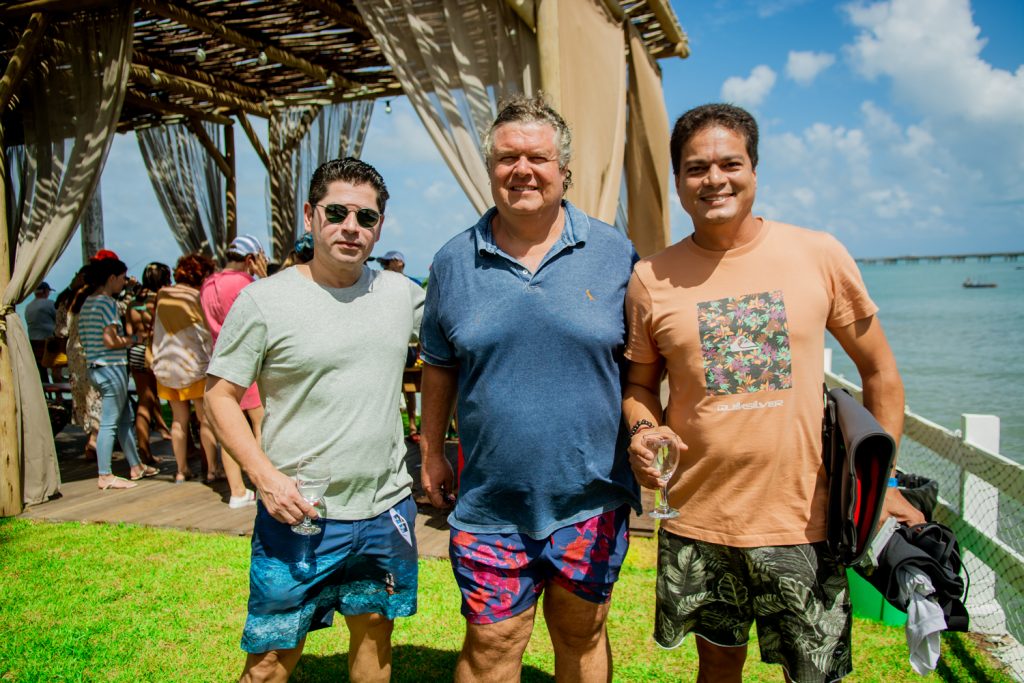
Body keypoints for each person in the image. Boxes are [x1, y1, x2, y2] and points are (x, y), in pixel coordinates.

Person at [621, 103, 926, 683]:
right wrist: (643, 429)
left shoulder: (818, 254)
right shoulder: (651, 279)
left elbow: (881, 371)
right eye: (695, 168)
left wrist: (881, 484)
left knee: (814, 673)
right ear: (678, 183)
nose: (714, 179)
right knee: (716, 664)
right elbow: (639, 384)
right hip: (698, 517)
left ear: (755, 171)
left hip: (803, 519)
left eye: (729, 163)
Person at [419, 93, 640, 682]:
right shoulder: (451, 263)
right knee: (492, 645)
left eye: (537, 158)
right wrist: (431, 450)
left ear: (563, 171)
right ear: (489, 169)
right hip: (491, 500)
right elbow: (438, 365)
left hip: (590, 497)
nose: (521, 170)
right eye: (506, 158)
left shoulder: (616, 255)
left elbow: (642, 367)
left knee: (582, 634)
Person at [205, 157, 425, 682]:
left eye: (366, 218)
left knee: (374, 635)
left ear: (379, 227)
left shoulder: (403, 294)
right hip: (298, 511)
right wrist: (264, 478)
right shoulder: (264, 301)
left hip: (384, 509)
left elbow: (468, 336)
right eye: (337, 212)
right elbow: (219, 395)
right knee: (270, 659)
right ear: (310, 215)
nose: (351, 227)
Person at [200, 234, 269, 508]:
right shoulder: (246, 285)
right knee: (261, 424)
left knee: (229, 426)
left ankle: (237, 490)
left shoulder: (208, 285)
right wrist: (264, 278)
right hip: (249, 364)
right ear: (251, 259)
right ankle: (265, 485)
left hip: (220, 361)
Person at [77, 258, 158, 489]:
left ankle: (136, 466)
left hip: (95, 367)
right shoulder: (107, 303)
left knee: (124, 419)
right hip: (111, 368)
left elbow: (86, 339)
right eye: (122, 278)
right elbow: (110, 340)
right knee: (111, 423)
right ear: (111, 278)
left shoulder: (87, 303)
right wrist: (134, 340)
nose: (124, 283)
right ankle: (105, 475)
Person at [151, 253, 219, 485]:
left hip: (168, 366)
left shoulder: (163, 294)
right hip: (194, 365)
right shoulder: (195, 296)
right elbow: (205, 331)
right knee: (204, 419)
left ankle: (181, 470)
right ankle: (211, 469)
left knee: (178, 420)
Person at [125, 262, 173, 467]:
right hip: (158, 352)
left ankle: (144, 451)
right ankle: (187, 447)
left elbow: (129, 333)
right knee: (175, 400)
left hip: (136, 351)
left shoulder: (133, 304)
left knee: (144, 401)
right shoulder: (162, 301)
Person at [377, 250, 422, 441]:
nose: (385, 267)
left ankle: (413, 426)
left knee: (407, 387)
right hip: (387, 345)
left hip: (410, 348)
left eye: (389, 263)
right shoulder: (377, 286)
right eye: (384, 264)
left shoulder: (412, 286)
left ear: (400, 263)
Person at [25, 281, 57, 382]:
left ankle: (45, 388)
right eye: (48, 292)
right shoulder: (50, 304)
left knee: (41, 367)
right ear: (45, 291)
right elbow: (60, 321)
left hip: (34, 344)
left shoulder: (28, 307)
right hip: (49, 345)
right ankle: (59, 383)